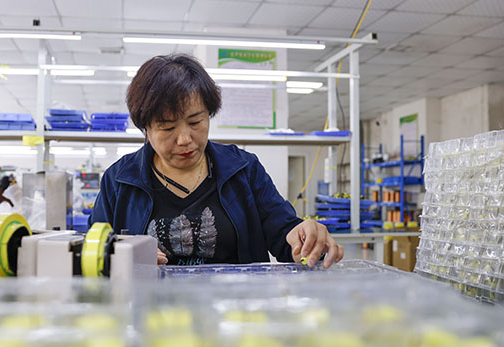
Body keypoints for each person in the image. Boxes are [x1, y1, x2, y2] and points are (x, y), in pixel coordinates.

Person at [88, 53, 343, 267]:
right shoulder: (119, 180)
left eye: (195, 122)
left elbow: (284, 233)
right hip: (149, 305)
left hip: (234, 307)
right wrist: (121, 256)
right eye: (167, 128)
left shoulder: (244, 170)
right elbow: (93, 248)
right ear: (145, 128)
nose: (184, 139)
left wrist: (305, 238)